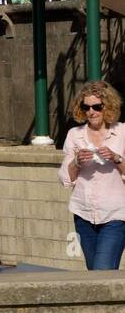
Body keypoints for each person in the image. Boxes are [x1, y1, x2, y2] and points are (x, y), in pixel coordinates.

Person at [59, 81, 125, 270]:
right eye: (86, 107)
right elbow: (65, 178)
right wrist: (77, 161)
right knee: (94, 274)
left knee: (102, 270)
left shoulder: (122, 132)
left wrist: (116, 157)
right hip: (84, 214)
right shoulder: (74, 134)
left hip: (115, 216)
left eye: (97, 106)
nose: (91, 112)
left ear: (108, 107)